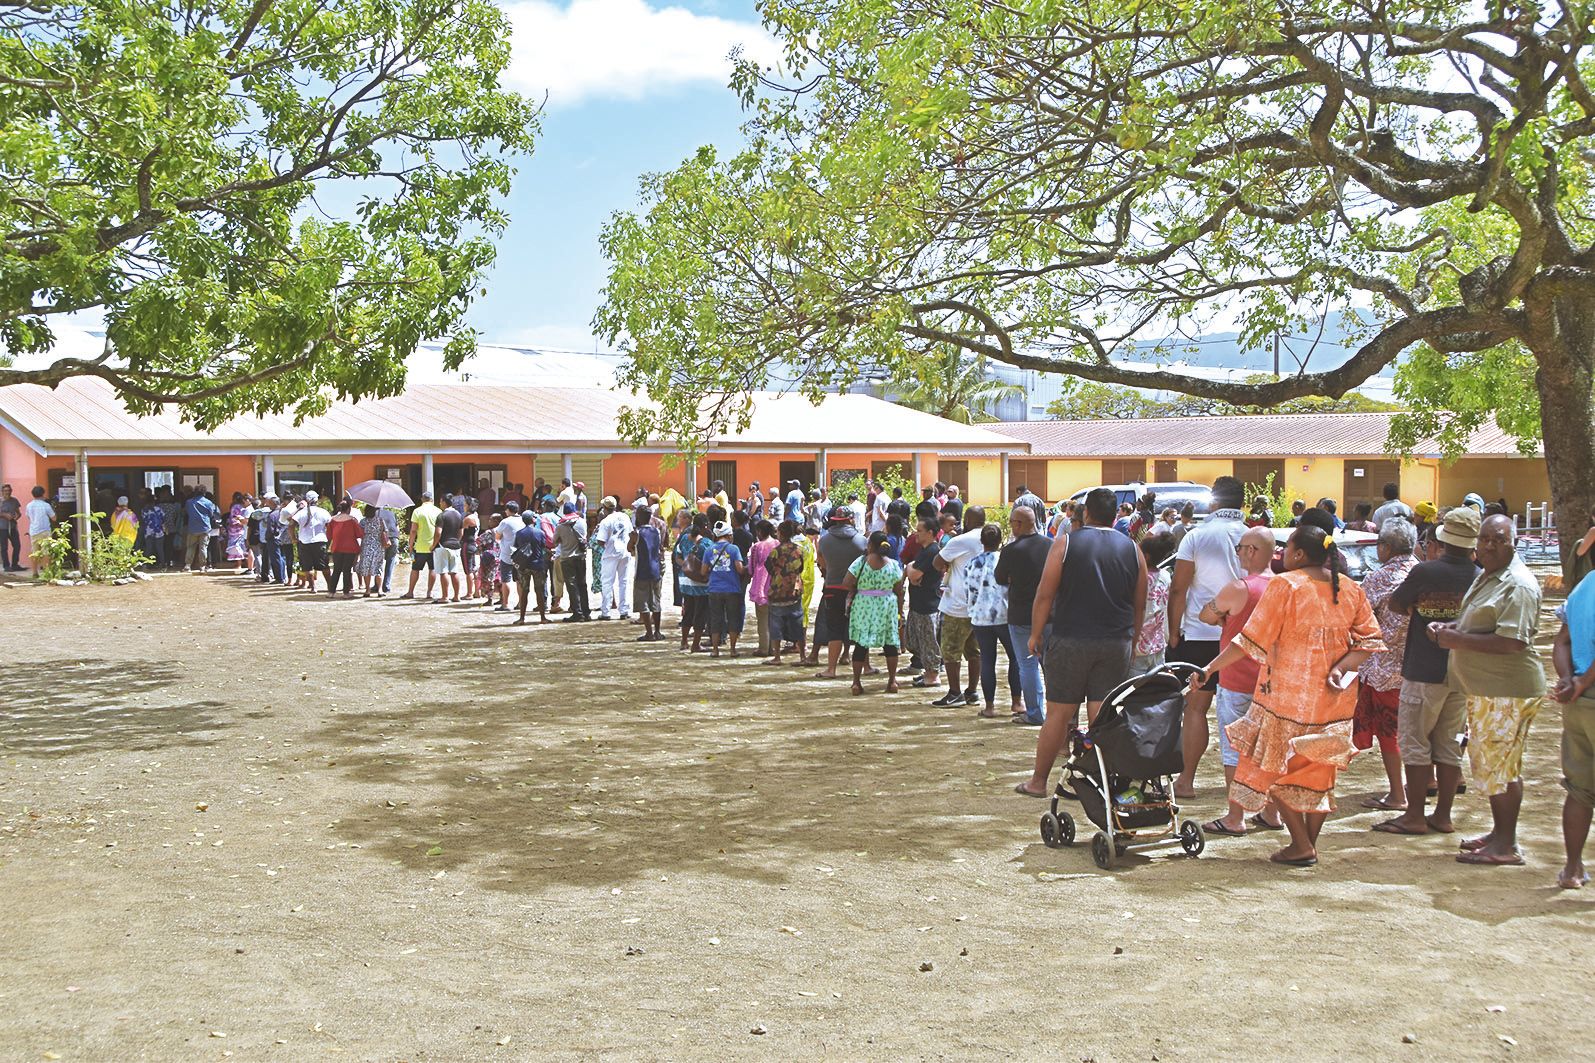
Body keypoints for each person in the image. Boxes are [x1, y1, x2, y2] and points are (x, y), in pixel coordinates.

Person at [1197, 513, 1385, 867]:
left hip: (1287, 698)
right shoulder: (1349, 588)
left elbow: (1250, 640)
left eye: (1289, 548)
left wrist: (1210, 668)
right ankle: (1305, 844)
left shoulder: (1286, 586)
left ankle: (1301, 845)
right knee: (1317, 771)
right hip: (1335, 701)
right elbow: (1369, 642)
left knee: (1276, 768)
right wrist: (1341, 667)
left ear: (1298, 555)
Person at [1015, 487, 1146, 798]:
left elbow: (1044, 594)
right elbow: (1139, 602)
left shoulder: (1066, 543)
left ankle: (1038, 782)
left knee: (1059, 714)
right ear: (1115, 516)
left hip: (1070, 638)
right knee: (1102, 716)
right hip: (1116, 640)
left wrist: (1035, 634)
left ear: (1086, 514)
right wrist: (1134, 638)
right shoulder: (1132, 549)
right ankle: (1100, 782)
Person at [1435, 514, 1546, 867]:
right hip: (1486, 689)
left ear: (1515, 542)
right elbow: (1482, 623)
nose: (1488, 546)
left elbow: (1512, 641)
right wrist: (1453, 628)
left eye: (1498, 540)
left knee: (1499, 767)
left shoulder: (1519, 585)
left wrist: (1456, 639)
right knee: (1497, 765)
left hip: (1506, 690)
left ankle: (1506, 845)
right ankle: (1500, 833)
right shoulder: (1489, 575)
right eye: (1484, 539)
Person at [1375, 510, 1480, 836]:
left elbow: (1395, 603)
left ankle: (1415, 816)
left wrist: (1421, 607)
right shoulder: (1481, 575)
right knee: (1449, 744)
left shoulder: (1426, 571)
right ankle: (1443, 816)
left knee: (1415, 743)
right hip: (1461, 671)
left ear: (1442, 540)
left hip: (1423, 669)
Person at [1192, 525, 1277, 837]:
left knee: (1234, 750)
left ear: (1252, 551)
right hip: (1272, 682)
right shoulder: (1282, 586)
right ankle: (1271, 811)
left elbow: (1206, 615)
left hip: (1237, 679)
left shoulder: (1240, 588)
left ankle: (1235, 815)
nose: (1239, 552)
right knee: (1270, 748)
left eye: (1241, 547)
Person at [1167, 475, 1247, 798]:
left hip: (1200, 635)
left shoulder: (1197, 536)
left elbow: (1178, 587)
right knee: (1249, 711)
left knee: (1195, 709)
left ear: (1213, 502)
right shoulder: (1254, 535)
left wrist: (1173, 632)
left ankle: (1186, 780)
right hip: (1244, 637)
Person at [1353, 518, 1420, 813]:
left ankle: (1397, 793)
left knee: (1389, 733)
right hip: (1423, 667)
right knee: (1420, 730)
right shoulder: (1423, 572)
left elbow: (1361, 621)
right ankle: (1422, 783)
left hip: (1386, 669)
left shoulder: (1379, 578)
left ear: (1386, 547)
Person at [1552, 571, 1595, 888]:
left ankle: (1572, 868)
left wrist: (1570, 680)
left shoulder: (1584, 586)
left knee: (1579, 788)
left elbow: (1562, 640)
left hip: (1580, 704)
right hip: (1585, 687)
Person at [995, 504, 1051, 725]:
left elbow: (1000, 578)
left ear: (1018, 524)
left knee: (1027, 666)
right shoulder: (1051, 545)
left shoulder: (1010, 551)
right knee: (1051, 666)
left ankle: (1035, 712)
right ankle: (1056, 713)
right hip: (1049, 616)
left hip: (1020, 616)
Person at [930, 506, 988, 707]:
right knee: (974, 651)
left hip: (958, 603)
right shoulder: (991, 537)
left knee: (950, 649)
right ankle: (972, 691)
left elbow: (937, 562)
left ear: (967, 520)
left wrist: (949, 564)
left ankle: (955, 693)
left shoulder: (960, 540)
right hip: (981, 604)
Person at [967, 523, 1022, 718]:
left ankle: (989, 706)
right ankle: (1017, 702)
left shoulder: (972, 563)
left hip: (980, 617)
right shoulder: (1005, 560)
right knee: (1015, 659)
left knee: (988, 661)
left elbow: (970, 590)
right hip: (1005, 615)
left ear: (982, 541)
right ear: (1001, 541)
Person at [844, 530, 906, 694]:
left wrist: (860, 589)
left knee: (861, 644)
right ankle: (892, 682)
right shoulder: (893, 564)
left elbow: (847, 582)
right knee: (890, 645)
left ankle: (856, 683)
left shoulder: (861, 562)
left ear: (870, 545)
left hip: (863, 606)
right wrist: (899, 611)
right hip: (887, 606)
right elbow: (899, 589)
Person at [815, 506, 868, 678]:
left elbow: (821, 562)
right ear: (851, 520)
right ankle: (866, 666)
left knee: (835, 628)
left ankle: (831, 669)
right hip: (856, 590)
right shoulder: (862, 541)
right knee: (860, 628)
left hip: (832, 588)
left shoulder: (824, 540)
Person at [904, 517, 944, 689]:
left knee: (929, 641)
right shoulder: (924, 550)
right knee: (914, 640)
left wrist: (909, 570)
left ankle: (933, 675)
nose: (916, 534)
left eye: (920, 531)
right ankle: (927, 672)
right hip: (918, 603)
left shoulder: (932, 551)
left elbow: (913, 574)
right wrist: (911, 569)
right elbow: (913, 570)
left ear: (930, 533)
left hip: (928, 605)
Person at [763, 520, 807, 665]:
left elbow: (769, 566)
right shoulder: (799, 549)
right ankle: (802, 656)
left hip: (777, 591)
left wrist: (779, 575)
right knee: (797, 623)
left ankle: (777, 657)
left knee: (775, 623)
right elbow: (801, 568)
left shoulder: (776, 551)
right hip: (794, 590)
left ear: (780, 533)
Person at [703, 521, 746, 658]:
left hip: (714, 589)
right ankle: (733, 649)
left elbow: (703, 570)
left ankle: (715, 650)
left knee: (716, 619)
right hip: (732, 589)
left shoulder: (709, 550)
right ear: (728, 535)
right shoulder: (734, 549)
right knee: (733, 618)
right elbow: (739, 569)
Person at [1132, 534, 1174, 675]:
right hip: (1158, 646)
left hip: (1136, 649)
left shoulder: (1136, 578)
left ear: (1146, 556)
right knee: (1155, 692)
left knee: (1132, 693)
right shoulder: (1165, 576)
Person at [629, 504, 666, 641]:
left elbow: (629, 548)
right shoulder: (656, 531)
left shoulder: (636, 533)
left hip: (642, 570)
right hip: (656, 569)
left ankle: (649, 633)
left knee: (643, 602)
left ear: (638, 517)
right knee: (656, 601)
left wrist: (632, 539)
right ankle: (657, 631)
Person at [595, 498, 634, 620]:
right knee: (624, 581)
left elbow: (601, 540)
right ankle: (624, 610)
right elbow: (632, 533)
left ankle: (606, 612)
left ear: (605, 508)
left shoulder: (605, 521)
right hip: (625, 552)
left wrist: (606, 546)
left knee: (607, 582)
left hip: (611, 554)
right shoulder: (625, 517)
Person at [510, 509, 552, 625]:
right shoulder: (540, 533)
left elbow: (516, 547)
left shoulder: (519, 533)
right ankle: (543, 617)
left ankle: (522, 618)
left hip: (524, 566)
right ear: (533, 519)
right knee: (539, 591)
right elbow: (544, 546)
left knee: (524, 592)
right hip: (538, 564)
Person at [555, 501, 591, 622]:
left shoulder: (560, 526)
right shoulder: (582, 522)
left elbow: (555, 540)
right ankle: (586, 612)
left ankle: (577, 613)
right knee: (582, 584)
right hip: (581, 557)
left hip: (567, 558)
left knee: (572, 586)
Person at [401, 491, 442, 600]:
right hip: (434, 545)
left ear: (422, 500)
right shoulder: (438, 511)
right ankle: (429, 592)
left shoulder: (417, 511)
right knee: (432, 569)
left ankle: (410, 592)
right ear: (432, 500)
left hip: (420, 546)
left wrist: (410, 545)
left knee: (415, 569)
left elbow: (413, 530)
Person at [747, 520, 778, 655]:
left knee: (763, 619)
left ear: (759, 531)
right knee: (774, 619)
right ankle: (773, 648)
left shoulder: (757, 547)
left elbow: (751, 568)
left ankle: (764, 647)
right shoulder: (778, 544)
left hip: (761, 586)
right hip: (776, 585)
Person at [294, 491, 331, 591]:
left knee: (307, 566)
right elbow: (330, 526)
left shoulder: (301, 512)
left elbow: (290, 523)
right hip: (320, 541)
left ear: (306, 500)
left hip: (304, 542)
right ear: (317, 500)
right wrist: (329, 539)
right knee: (324, 566)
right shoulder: (323, 512)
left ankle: (313, 587)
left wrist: (293, 538)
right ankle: (330, 586)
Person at [326, 499, 363, 597]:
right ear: (348, 509)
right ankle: (346, 593)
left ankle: (331, 592)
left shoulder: (332, 520)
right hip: (350, 548)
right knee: (347, 570)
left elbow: (329, 535)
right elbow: (359, 534)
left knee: (336, 570)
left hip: (336, 547)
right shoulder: (352, 520)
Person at [433, 500, 465, 603]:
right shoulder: (459, 515)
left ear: (443, 502)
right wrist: (457, 541)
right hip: (455, 546)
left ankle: (445, 596)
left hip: (443, 545)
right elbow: (461, 532)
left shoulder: (442, 515)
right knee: (454, 571)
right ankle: (456, 596)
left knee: (443, 572)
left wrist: (433, 545)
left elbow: (438, 532)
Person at [356, 501, 389, 596]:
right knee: (378, 568)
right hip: (378, 546)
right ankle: (379, 590)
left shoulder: (363, 521)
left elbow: (360, 534)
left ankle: (367, 590)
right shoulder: (380, 520)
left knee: (367, 568)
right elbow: (385, 532)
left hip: (366, 546)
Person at [184, 488, 220, 572]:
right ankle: (202, 566)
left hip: (192, 527)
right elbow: (211, 514)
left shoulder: (189, 502)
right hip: (205, 527)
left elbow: (187, 512)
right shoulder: (208, 502)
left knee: (190, 547)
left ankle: (187, 565)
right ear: (204, 493)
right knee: (203, 548)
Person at [23, 486, 55, 577]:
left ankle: (34, 572)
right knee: (46, 552)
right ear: (43, 494)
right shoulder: (46, 505)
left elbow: (28, 517)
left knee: (34, 552)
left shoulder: (29, 505)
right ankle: (47, 571)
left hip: (34, 531)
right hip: (45, 531)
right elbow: (54, 518)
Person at [140, 491, 168, 570]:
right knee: (160, 549)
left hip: (148, 531)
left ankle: (145, 565)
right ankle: (163, 565)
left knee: (148, 549)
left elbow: (143, 520)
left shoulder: (144, 510)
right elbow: (163, 519)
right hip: (159, 531)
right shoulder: (159, 509)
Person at [225, 492, 250, 571]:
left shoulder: (234, 507)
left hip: (234, 529)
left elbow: (233, 518)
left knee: (236, 546)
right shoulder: (244, 507)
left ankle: (239, 564)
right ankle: (248, 563)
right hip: (242, 528)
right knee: (242, 546)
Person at [0, 484, 20, 572]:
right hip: (2, 527)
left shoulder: (14, 500)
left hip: (12, 526)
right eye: (5, 491)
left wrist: (16, 517)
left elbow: (18, 513)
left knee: (17, 545)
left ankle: (15, 564)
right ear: (2, 492)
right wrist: (4, 515)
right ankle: (6, 566)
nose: (7, 492)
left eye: (8, 490)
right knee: (4, 547)